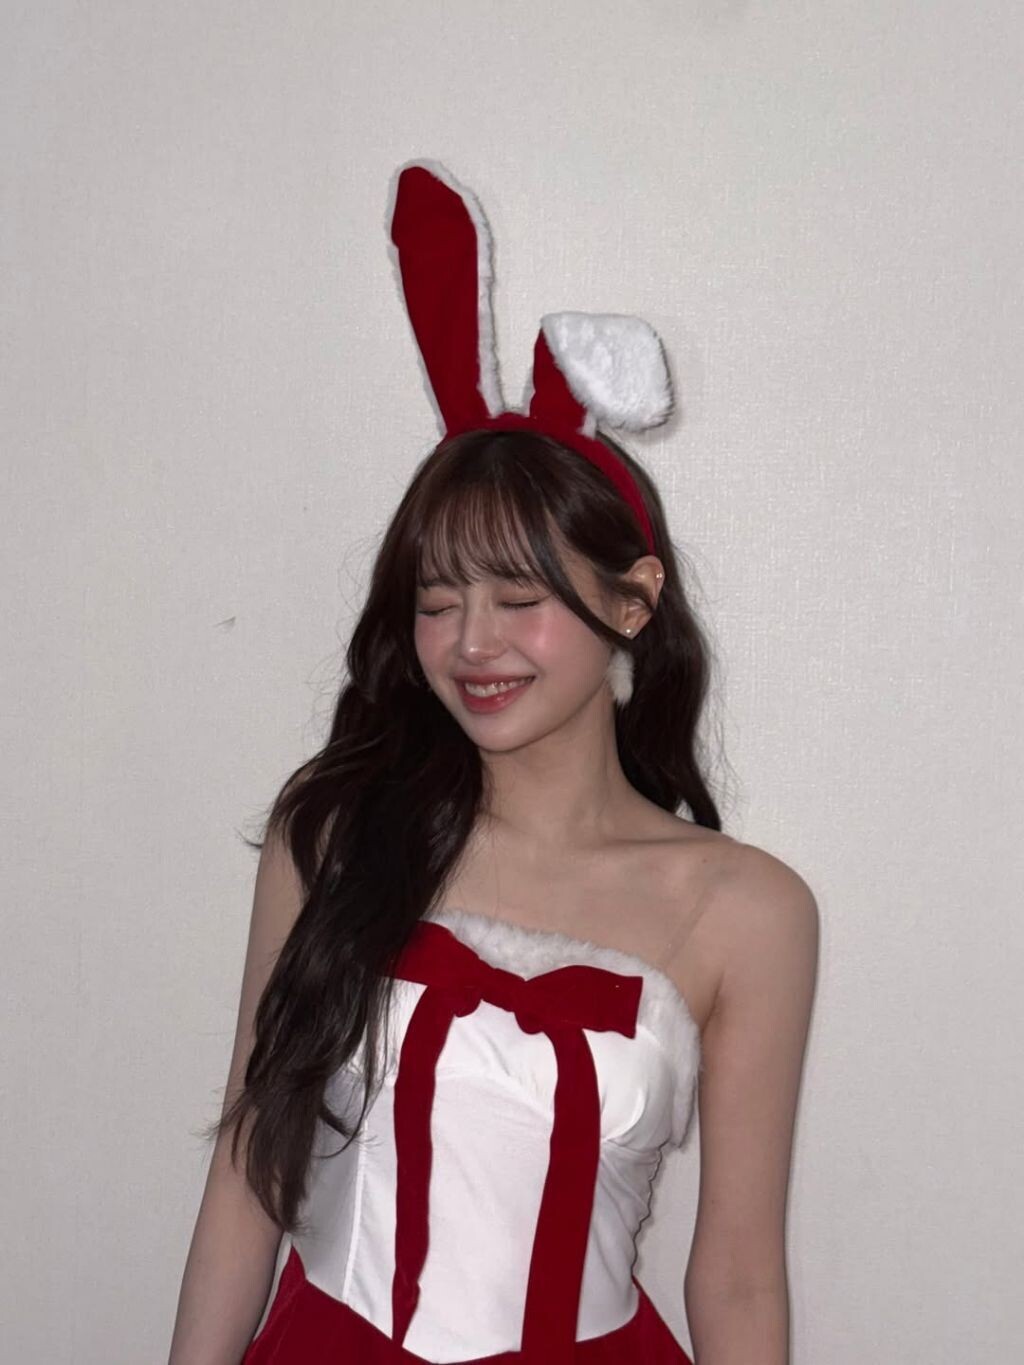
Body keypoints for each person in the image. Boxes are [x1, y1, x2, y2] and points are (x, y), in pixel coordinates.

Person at [168, 162, 818, 1365]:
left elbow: (735, 1274)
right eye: (436, 599)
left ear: (632, 601)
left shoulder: (750, 910)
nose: (471, 644)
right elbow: (249, 1171)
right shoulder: (336, 832)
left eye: (519, 598)